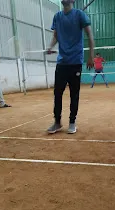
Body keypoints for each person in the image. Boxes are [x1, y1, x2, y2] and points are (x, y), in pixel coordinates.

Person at [47, 0, 94, 134]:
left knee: (74, 94)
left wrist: (91, 56)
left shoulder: (80, 15)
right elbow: (55, 36)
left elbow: (89, 35)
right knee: (57, 93)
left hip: (75, 62)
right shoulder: (57, 16)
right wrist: (51, 46)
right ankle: (57, 122)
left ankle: (72, 122)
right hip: (62, 62)